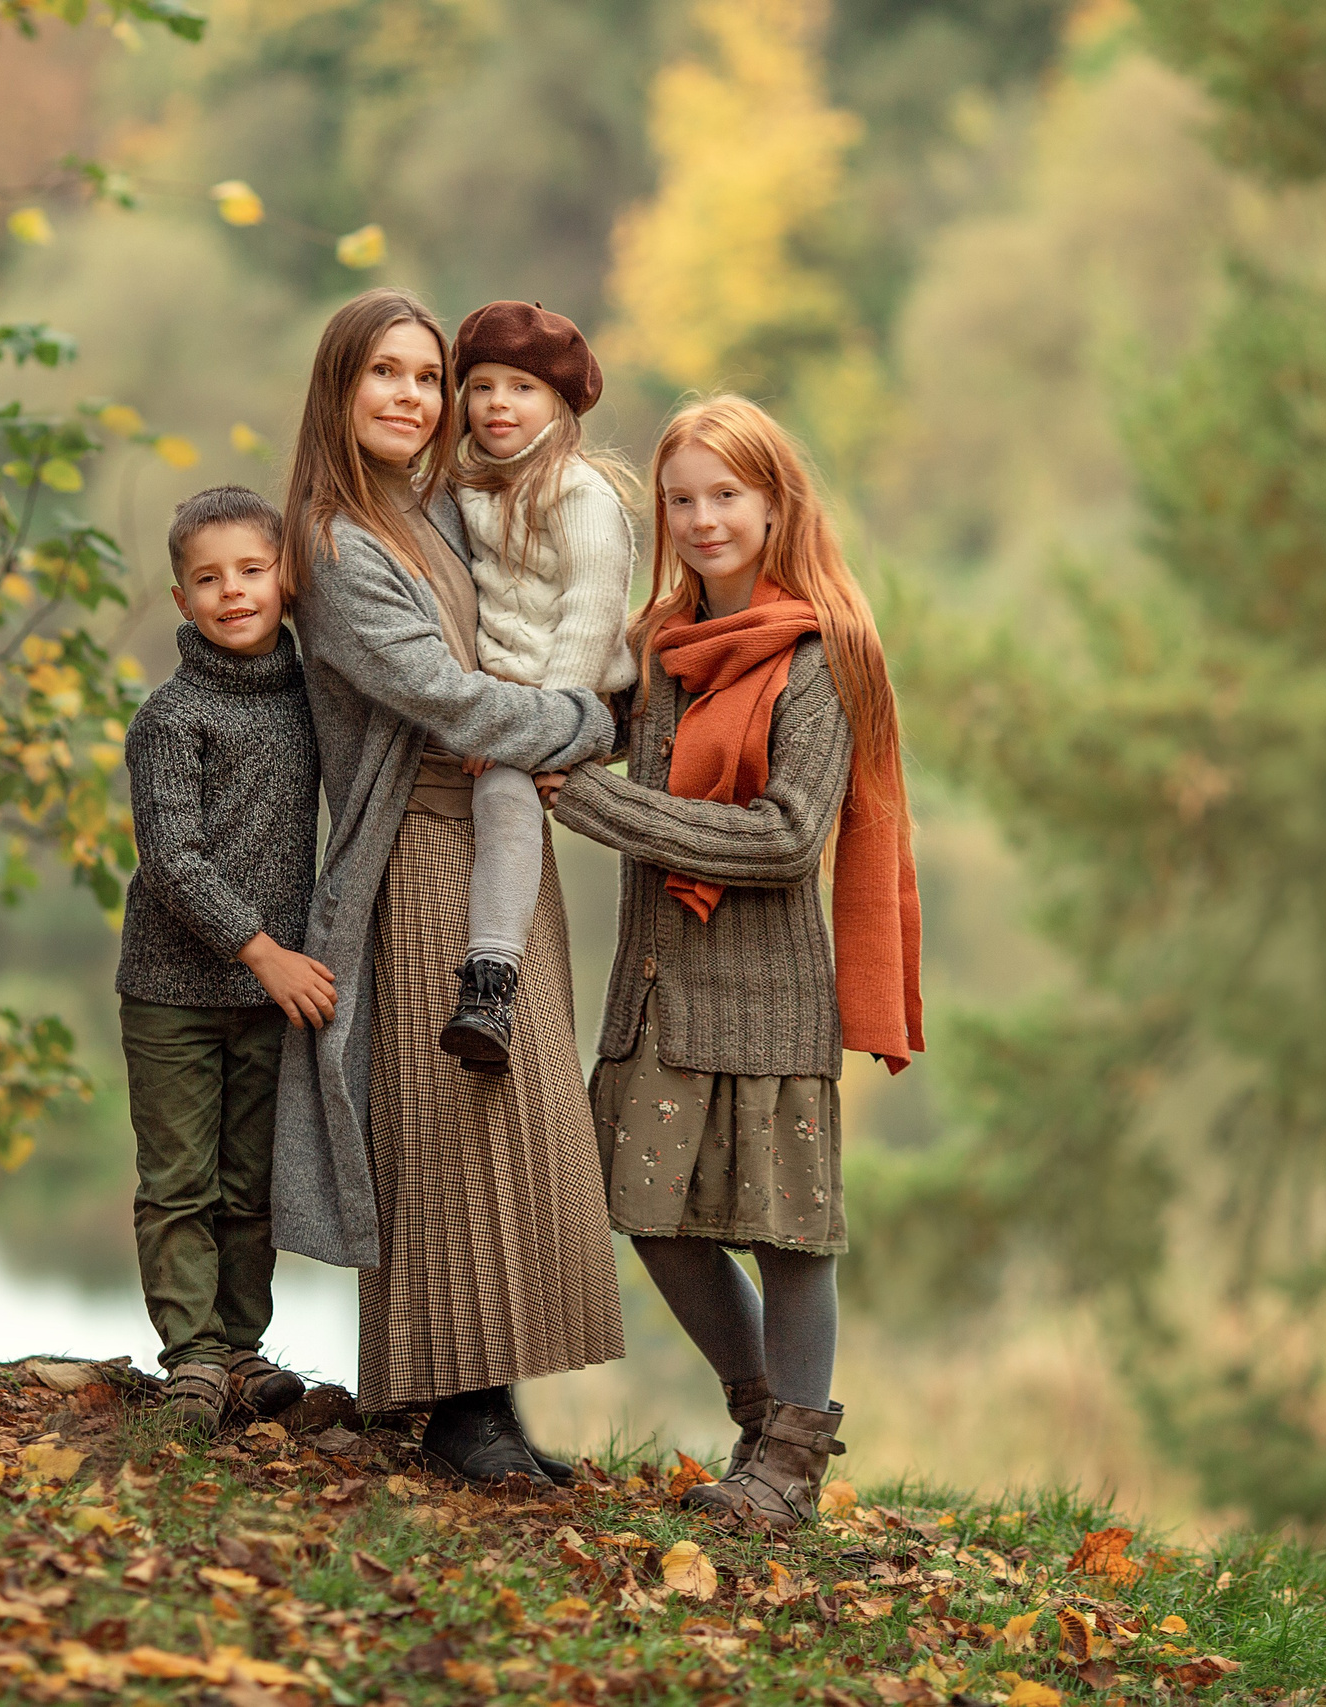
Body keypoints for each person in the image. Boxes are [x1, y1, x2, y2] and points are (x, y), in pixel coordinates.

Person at [544, 396, 925, 1530]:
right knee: (647, 1211)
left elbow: (785, 837)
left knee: (788, 1232)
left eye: (726, 495)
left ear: (773, 504)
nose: (703, 519)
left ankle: (790, 1470)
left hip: (770, 997)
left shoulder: (823, 655)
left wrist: (600, 807)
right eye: (682, 500)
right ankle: (765, 1422)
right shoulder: (660, 646)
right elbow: (575, 722)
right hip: (657, 987)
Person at [268, 287, 625, 1485]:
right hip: (420, 848)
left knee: (512, 1123)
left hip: (496, 839)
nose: (414, 398)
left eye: (429, 378)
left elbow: (535, 610)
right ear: (339, 386)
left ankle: (496, 1410)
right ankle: (455, 1416)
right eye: (388, 373)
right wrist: (586, 724)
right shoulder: (334, 546)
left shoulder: (430, 512)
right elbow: (450, 698)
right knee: (448, 1126)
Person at [117, 485, 337, 1437]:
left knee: (251, 1182)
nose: (233, 591)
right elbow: (174, 859)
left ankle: (243, 1351)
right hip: (174, 990)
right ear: (182, 600)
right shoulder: (171, 718)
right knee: (181, 1181)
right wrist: (264, 953)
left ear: (288, 580)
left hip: (267, 995)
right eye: (208, 579)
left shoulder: (316, 700)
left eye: (252, 570)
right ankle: (194, 1357)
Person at [437, 300, 636, 1075]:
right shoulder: (468, 485)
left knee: (505, 798)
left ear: (558, 404)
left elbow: (590, 614)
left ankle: (491, 984)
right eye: (482, 387)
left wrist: (528, 728)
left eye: (521, 388)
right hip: (507, 695)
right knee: (493, 795)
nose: (498, 404)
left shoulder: (578, 494)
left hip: (571, 698)